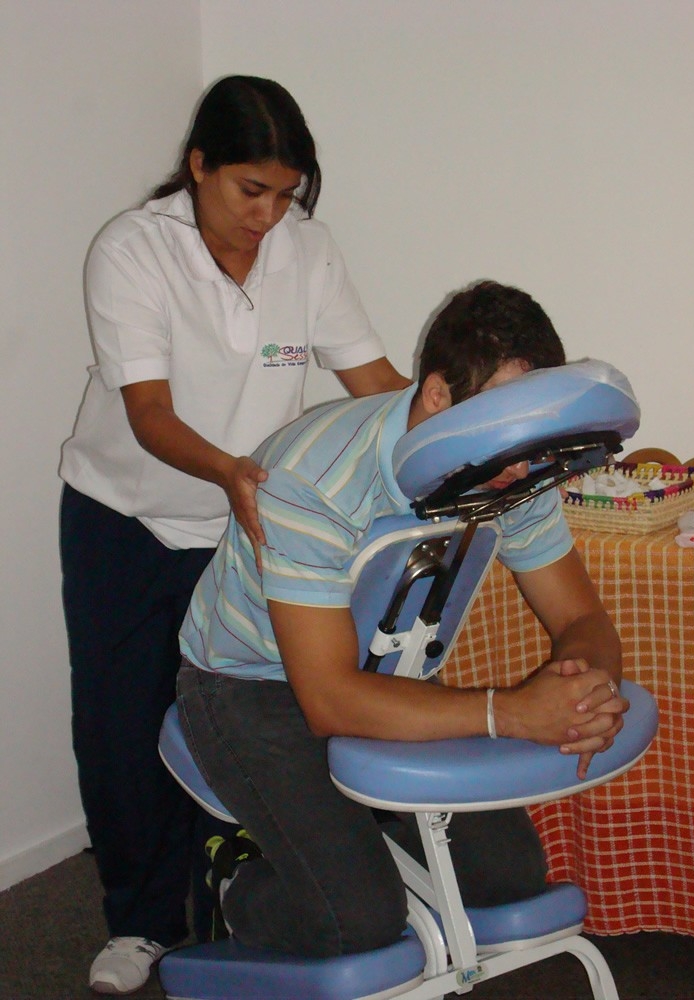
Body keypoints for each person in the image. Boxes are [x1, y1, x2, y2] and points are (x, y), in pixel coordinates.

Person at [59, 75, 410, 995]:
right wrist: (230, 472)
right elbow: (148, 413)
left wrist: (452, 446)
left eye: (285, 195)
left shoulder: (307, 252)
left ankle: (232, 888)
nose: (268, 215)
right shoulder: (134, 249)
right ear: (199, 165)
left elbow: (373, 381)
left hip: (244, 525)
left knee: (241, 718)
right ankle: (139, 923)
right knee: (123, 725)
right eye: (251, 190)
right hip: (127, 520)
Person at [176, 280, 629, 958]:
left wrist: (589, 691)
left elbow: (580, 616)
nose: (521, 462)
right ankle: (234, 879)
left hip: (387, 671)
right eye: (500, 422)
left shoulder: (512, 464)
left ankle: (350, 845)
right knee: (358, 921)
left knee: (506, 878)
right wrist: (511, 713)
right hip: (250, 686)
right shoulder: (310, 478)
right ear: (438, 395)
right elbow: (328, 699)